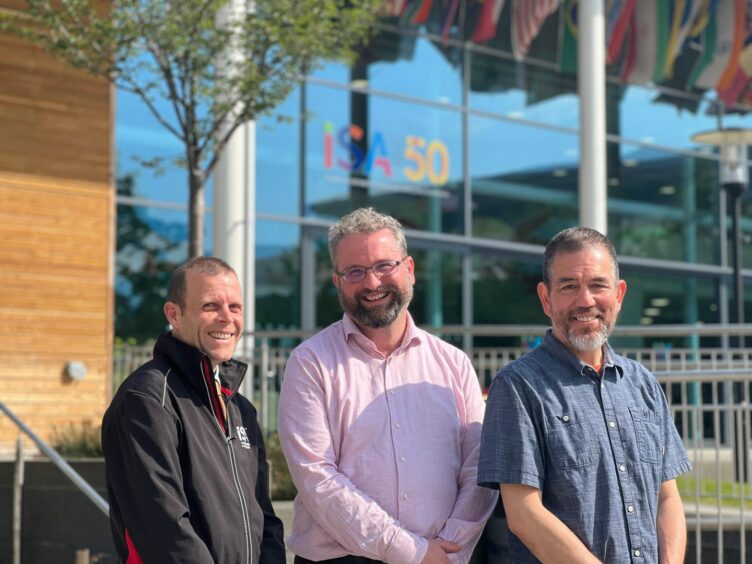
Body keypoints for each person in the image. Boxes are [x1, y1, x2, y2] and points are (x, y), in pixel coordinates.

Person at [278, 208, 497, 564]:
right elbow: (316, 477)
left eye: (384, 266)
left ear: (409, 269)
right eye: (355, 272)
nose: (372, 283)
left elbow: (478, 468)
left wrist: (450, 548)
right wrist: (413, 552)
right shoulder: (310, 363)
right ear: (337, 280)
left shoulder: (453, 364)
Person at [478, 227, 691, 563]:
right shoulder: (518, 387)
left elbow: (667, 497)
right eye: (568, 286)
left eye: (598, 285)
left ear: (619, 295)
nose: (585, 300)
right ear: (546, 299)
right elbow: (523, 514)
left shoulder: (644, 384)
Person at [102, 256, 285, 563]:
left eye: (235, 307)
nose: (227, 318)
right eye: (210, 306)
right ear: (174, 314)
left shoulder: (241, 409)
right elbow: (164, 527)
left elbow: (264, 518)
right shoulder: (147, 399)